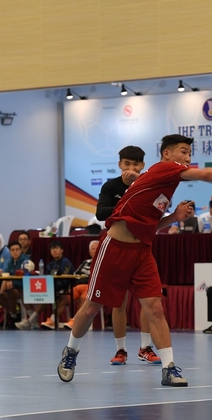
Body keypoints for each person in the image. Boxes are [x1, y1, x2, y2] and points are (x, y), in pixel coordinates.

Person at [57, 133, 212, 387]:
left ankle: (168, 367)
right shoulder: (166, 168)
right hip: (114, 249)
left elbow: (151, 226)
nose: (187, 158)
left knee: (155, 308)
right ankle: (71, 351)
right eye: (183, 152)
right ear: (167, 154)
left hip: (142, 252)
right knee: (92, 307)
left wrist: (175, 217)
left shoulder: (163, 184)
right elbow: (207, 174)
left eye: (190, 154)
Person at [95, 146, 161, 365]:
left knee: (148, 301)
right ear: (119, 164)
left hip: (142, 247)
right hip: (117, 249)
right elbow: (100, 213)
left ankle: (145, 348)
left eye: (135, 164)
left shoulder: (150, 186)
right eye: (126, 163)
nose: (130, 168)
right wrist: (128, 206)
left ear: (142, 166)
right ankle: (120, 350)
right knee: (119, 302)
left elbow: (156, 213)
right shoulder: (111, 186)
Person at [38, 240, 75, 329]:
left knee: (61, 297)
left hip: (63, 288)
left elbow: (66, 279)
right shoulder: (50, 264)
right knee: (41, 296)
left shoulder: (66, 262)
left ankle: (52, 320)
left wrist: (53, 286)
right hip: (51, 288)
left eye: (57, 248)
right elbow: (46, 277)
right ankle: (32, 320)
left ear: (62, 250)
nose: (54, 251)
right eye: (52, 249)